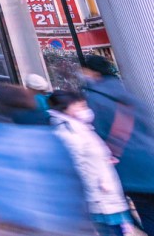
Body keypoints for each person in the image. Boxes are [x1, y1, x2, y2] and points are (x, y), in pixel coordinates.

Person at [80, 55, 154, 223]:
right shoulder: (127, 94)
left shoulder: (95, 100)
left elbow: (97, 135)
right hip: (150, 158)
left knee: (147, 215)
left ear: (93, 73)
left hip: (129, 167)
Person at [50, 90, 134, 236]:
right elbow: (77, 165)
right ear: (65, 108)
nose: (85, 110)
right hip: (100, 194)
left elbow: (89, 154)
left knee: (117, 229)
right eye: (79, 106)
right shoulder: (68, 131)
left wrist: (105, 159)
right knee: (111, 230)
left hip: (104, 189)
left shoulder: (80, 127)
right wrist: (97, 185)